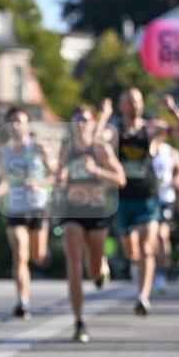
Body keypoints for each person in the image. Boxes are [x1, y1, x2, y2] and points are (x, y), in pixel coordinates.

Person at [55, 102, 125, 343]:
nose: (81, 122)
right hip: (71, 211)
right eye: (76, 119)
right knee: (74, 265)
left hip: (96, 212)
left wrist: (96, 171)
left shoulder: (100, 148)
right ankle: (79, 322)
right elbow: (58, 177)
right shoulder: (66, 150)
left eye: (85, 118)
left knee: (93, 269)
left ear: (92, 122)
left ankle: (100, 268)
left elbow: (120, 178)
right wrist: (60, 178)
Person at [0, 107, 54, 319]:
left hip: (37, 206)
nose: (17, 125)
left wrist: (40, 183)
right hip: (15, 208)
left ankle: (44, 255)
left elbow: (57, 175)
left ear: (28, 125)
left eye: (21, 121)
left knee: (37, 256)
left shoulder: (38, 147)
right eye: (13, 121)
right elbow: (5, 180)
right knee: (20, 255)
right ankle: (22, 302)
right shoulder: (5, 152)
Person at [115, 88, 168, 315]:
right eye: (128, 101)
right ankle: (136, 267)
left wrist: (172, 109)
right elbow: (96, 142)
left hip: (147, 196)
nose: (134, 105)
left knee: (147, 248)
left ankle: (142, 297)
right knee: (132, 251)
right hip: (123, 199)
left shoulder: (151, 129)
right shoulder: (115, 131)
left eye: (137, 101)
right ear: (121, 106)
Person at [152, 141, 179, 293]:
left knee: (161, 236)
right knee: (149, 239)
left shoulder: (170, 151)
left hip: (165, 199)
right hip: (146, 198)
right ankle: (149, 269)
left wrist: (176, 180)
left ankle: (161, 273)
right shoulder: (143, 146)